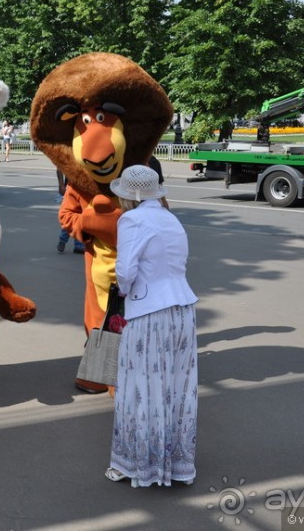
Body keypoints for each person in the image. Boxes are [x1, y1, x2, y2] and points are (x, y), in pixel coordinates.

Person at [105, 165, 198, 487]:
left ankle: (136, 464)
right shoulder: (169, 217)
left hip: (149, 313)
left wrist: (124, 292)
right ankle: (175, 463)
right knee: (175, 389)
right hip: (182, 311)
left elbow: (126, 271)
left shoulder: (132, 219)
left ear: (129, 195)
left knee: (140, 388)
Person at [55, 169, 85, 254]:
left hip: (85, 189)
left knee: (82, 217)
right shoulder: (71, 155)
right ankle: (63, 240)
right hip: (71, 189)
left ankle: (79, 245)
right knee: (70, 216)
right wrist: (61, 185)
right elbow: (59, 168)